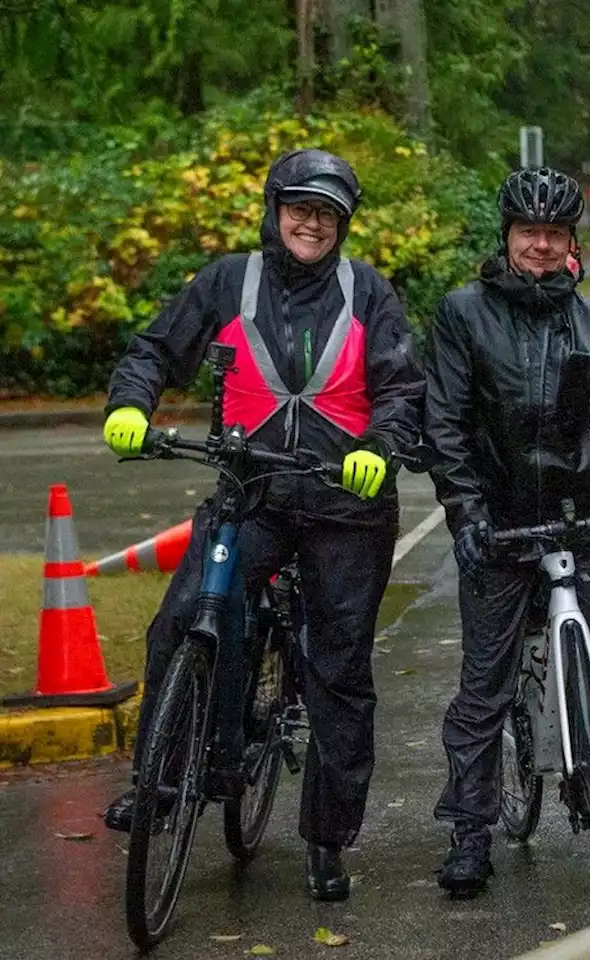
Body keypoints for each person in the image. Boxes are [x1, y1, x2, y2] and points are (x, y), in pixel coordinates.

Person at [100, 148, 424, 901]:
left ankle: (325, 839)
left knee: (338, 672)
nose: (312, 223)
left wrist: (379, 447)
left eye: (328, 214)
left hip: (346, 506)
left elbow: (405, 390)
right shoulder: (227, 280)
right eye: (300, 208)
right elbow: (154, 349)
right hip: (255, 493)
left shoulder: (369, 292)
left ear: (343, 224)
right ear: (275, 209)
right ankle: (169, 782)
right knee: (185, 621)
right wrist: (130, 404)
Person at [420, 166, 590, 895]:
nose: (539, 245)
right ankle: (470, 830)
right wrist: (464, 513)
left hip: (576, 516)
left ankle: (584, 774)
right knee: (484, 688)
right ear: (507, 236)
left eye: (553, 234)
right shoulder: (464, 314)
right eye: (528, 232)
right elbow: (447, 426)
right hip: (495, 526)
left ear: (569, 243)